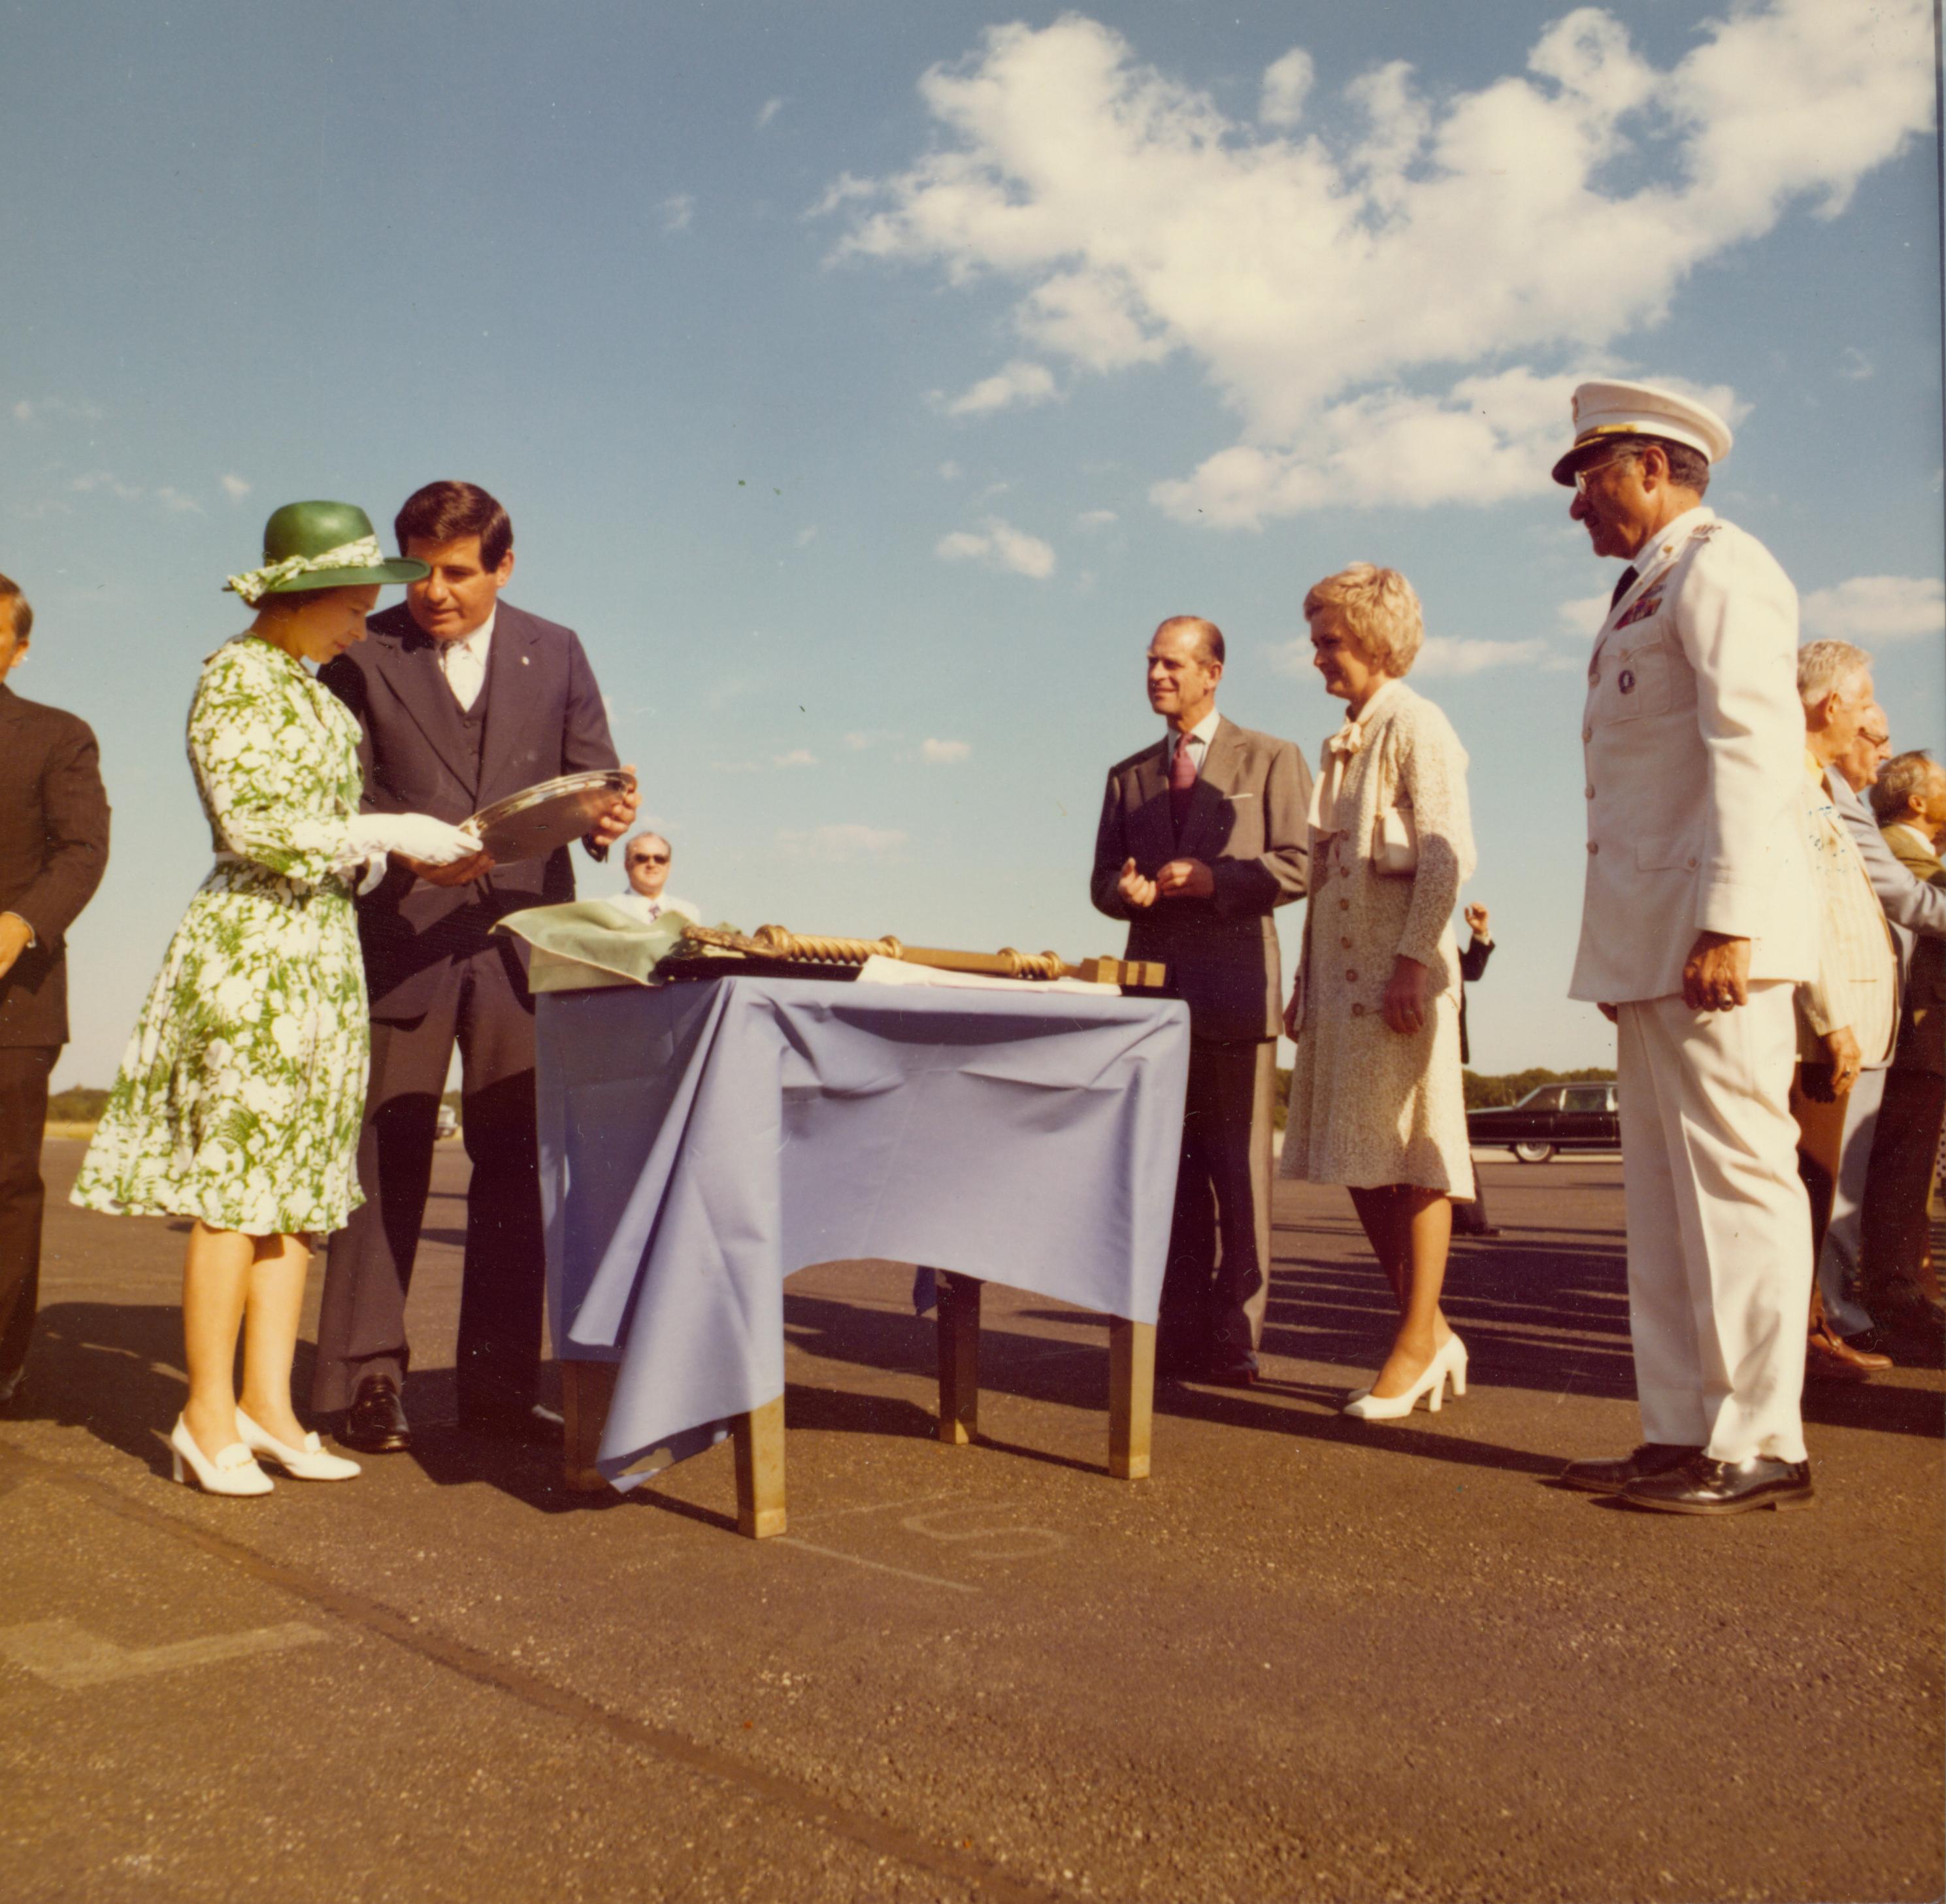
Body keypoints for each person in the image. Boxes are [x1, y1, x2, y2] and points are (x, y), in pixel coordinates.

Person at [71, 502, 478, 1494]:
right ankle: (203, 1414)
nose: (360, 625)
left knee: (295, 1193)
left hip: (322, 950)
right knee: (232, 1196)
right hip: (253, 949)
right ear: (294, 597)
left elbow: (338, 837)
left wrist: (407, 862)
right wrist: (392, 834)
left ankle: (268, 1407)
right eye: (349, 605)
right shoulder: (234, 679)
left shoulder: (317, 696)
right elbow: (255, 826)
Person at [312, 481, 637, 1453]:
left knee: (513, 1164)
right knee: (383, 1162)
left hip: (519, 948)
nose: (433, 592)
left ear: (504, 565)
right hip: (402, 936)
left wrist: (607, 818)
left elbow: (598, 775)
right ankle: (365, 1383)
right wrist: (397, 850)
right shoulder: (360, 651)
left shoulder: (560, 647)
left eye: (458, 572)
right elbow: (341, 796)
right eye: (416, 570)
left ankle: (497, 1387)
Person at [1549, 380, 1819, 1515]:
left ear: (1651, 467)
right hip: (1652, 942)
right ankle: (1679, 1428)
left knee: (1737, 1186)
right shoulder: (1640, 590)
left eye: (1587, 477)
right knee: (1663, 1200)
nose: (1573, 507)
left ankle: (1760, 1436)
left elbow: (1752, 746)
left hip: (1712, 937)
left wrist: (1731, 918)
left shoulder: (1721, 567)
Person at [1090, 616, 1310, 1385]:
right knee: (1168, 1174)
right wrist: (1126, 893)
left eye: (1172, 664)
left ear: (1212, 672)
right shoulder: (1127, 775)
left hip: (1233, 996)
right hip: (1150, 1002)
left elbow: (1297, 865)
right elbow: (1099, 887)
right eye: (1150, 662)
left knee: (1237, 1178)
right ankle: (1177, 1332)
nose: (1156, 675)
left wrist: (1219, 881)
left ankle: (1233, 1336)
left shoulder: (1274, 757)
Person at [1279, 566, 1477, 1419]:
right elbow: (1326, 867)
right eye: (1316, 637)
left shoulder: (1416, 722)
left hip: (1399, 978)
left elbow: (1443, 853)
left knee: (1411, 1152)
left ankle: (1412, 1343)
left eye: (1328, 637)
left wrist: (1412, 962)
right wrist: (1300, 978)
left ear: (1372, 637)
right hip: (1340, 982)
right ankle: (1428, 1327)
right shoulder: (1343, 738)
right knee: (1360, 1156)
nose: (1317, 654)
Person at [0, 572, 110, 1407]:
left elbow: (80, 851)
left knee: (4, 1185)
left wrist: (16, 926)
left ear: (20, 649)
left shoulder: (57, 736)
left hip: (14, 997)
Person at [1809, 704, 1946, 1342]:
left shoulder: (1840, 800)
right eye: (1874, 736)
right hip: (1846, 1018)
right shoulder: (1826, 800)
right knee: (1838, 1177)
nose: (1881, 751)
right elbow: (1903, 898)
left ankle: (1835, 1312)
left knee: (1852, 1178)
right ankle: (1834, 1315)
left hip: (1868, 1020)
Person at [1789, 642, 1898, 1382]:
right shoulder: (1793, 791)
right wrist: (1831, 1016)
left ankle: (1810, 1328)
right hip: (1814, 1033)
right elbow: (1806, 916)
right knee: (1807, 1188)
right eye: (1863, 708)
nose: (1868, 726)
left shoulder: (1817, 788)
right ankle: (1802, 1337)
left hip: (1834, 1025)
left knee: (1817, 1193)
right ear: (1831, 707)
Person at [1859, 750, 1946, 1341]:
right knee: (1902, 1175)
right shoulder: (1906, 853)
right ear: (1918, 801)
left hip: (1918, 1038)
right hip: (1919, 1040)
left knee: (1906, 1175)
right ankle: (1896, 1297)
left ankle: (1901, 1288)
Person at [1451, 902, 1500, 1238]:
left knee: (1453, 1134)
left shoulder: (1437, 932)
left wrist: (1480, 933)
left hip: (1445, 1050)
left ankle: (1470, 1220)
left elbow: (1471, 971)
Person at [614, 832, 700, 927]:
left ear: (668, 866)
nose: (652, 864)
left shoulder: (688, 913)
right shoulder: (610, 909)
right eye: (642, 858)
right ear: (627, 865)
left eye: (660, 859)